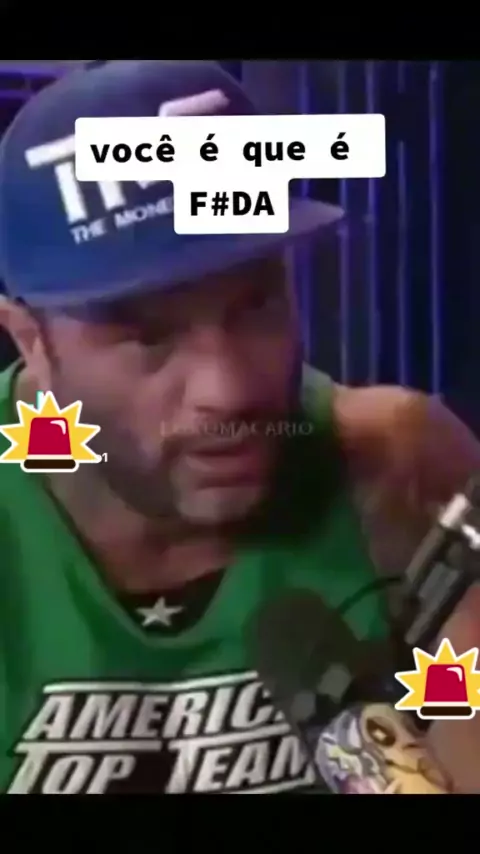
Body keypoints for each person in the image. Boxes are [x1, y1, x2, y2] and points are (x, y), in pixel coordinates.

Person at [0, 59, 478, 796]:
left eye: (257, 305)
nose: (228, 391)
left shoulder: (401, 468)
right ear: (31, 340)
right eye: (149, 337)